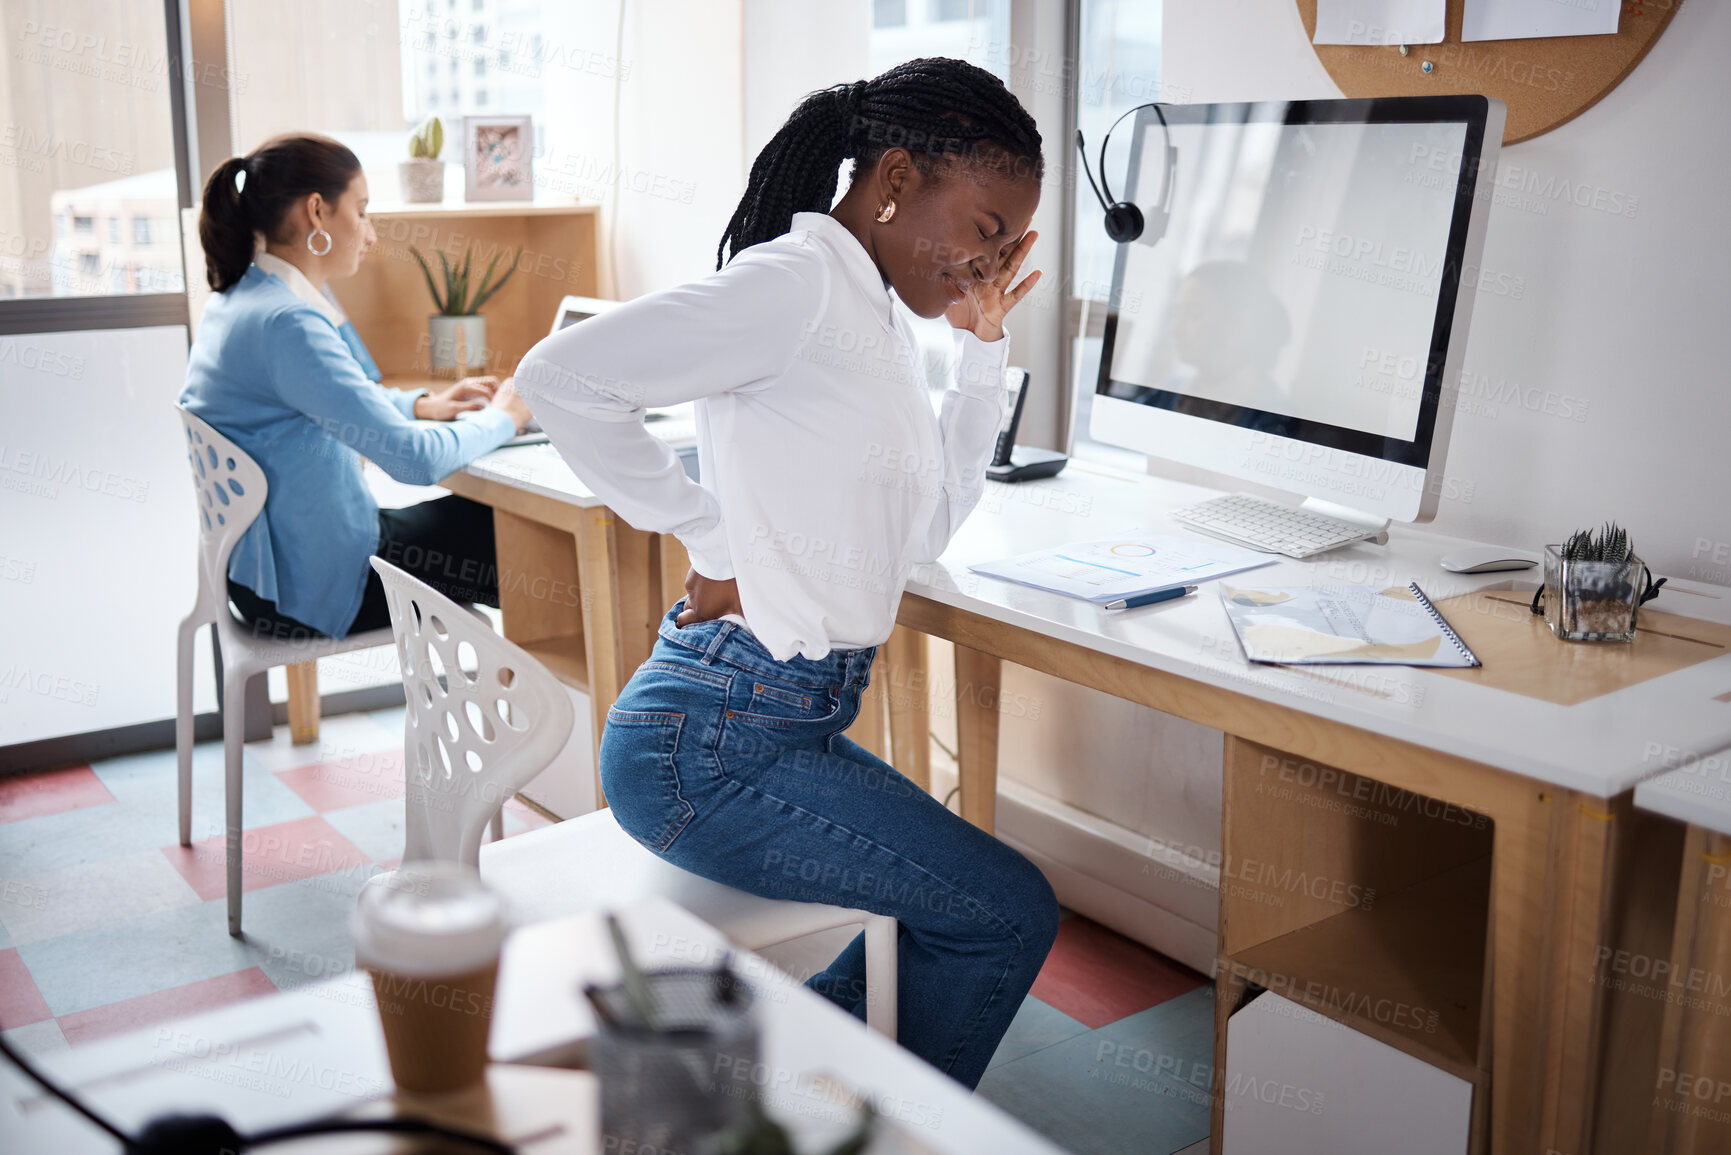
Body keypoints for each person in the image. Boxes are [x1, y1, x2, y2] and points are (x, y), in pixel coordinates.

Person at [515, 58, 1058, 1089]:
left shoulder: (869, 316)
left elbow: (927, 531)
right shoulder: (796, 283)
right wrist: (711, 540)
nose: (988, 263)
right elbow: (563, 377)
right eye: (984, 230)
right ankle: (857, 1115)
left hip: (771, 720)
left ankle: (769, 1095)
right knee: (1005, 912)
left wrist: (983, 349)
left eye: (1006, 247)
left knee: (966, 909)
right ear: (895, 177)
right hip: (713, 738)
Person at [179, 133, 532, 643]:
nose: (369, 232)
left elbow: (327, 399)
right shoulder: (289, 321)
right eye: (362, 211)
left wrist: (423, 404)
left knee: (482, 527)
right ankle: (581, 703)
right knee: (520, 534)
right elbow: (414, 462)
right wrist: (506, 417)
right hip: (317, 586)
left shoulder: (241, 300)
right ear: (317, 212)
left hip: (265, 575)